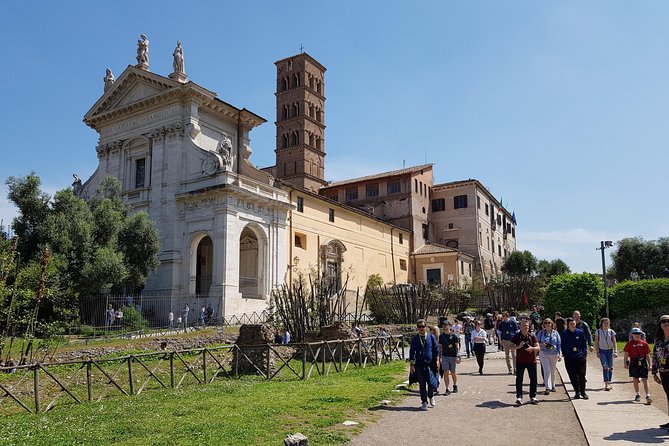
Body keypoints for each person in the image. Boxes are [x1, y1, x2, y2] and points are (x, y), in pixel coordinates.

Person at [409, 319, 440, 410]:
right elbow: (412, 352)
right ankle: (424, 402)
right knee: (422, 384)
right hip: (419, 365)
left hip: (430, 364)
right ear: (417, 328)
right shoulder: (415, 339)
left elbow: (436, 349)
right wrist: (412, 365)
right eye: (419, 327)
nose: (421, 328)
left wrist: (437, 360)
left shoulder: (431, 337)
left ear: (426, 327)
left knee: (431, 382)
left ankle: (431, 396)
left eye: (423, 326)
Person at [511, 320, 540, 405]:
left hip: (531, 361)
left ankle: (533, 396)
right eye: (524, 325)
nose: (526, 327)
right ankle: (519, 397)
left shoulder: (532, 336)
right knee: (519, 379)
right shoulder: (517, 336)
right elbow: (510, 347)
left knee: (533, 379)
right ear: (520, 327)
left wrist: (532, 348)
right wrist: (518, 346)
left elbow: (538, 347)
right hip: (520, 361)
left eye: (527, 326)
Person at [561, 317, 589, 399]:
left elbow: (584, 344)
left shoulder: (580, 332)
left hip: (580, 357)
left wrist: (584, 354)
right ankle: (577, 391)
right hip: (569, 358)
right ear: (567, 325)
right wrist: (565, 354)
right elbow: (562, 345)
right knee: (572, 376)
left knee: (582, 375)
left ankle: (583, 392)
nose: (573, 325)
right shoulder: (564, 334)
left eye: (574, 324)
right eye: (571, 324)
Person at [624, 327, 652, 404]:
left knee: (645, 379)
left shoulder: (644, 344)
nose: (637, 335)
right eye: (635, 334)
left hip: (642, 362)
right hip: (633, 362)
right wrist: (625, 363)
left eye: (639, 334)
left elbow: (647, 355)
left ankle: (648, 395)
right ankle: (637, 394)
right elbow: (626, 354)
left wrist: (650, 364)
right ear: (632, 334)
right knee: (635, 379)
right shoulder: (629, 344)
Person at [651, 314, 669, 429]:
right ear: (660, 324)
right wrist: (654, 372)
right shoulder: (658, 340)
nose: (666, 323)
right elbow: (654, 356)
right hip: (663, 372)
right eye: (663, 321)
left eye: (668, 321)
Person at [537, 318, 562, 394]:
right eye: (546, 323)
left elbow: (559, 344)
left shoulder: (556, 333)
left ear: (552, 324)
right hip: (544, 353)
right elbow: (536, 342)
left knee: (552, 370)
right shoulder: (541, 333)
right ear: (544, 324)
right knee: (546, 370)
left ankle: (553, 385)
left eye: (549, 323)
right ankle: (548, 387)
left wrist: (560, 354)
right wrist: (542, 344)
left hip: (553, 353)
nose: (547, 324)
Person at [595, 317, 618, 391]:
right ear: (601, 324)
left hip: (610, 351)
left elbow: (614, 342)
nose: (606, 324)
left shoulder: (611, 332)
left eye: (607, 323)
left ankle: (609, 382)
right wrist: (597, 351)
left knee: (610, 367)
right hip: (602, 351)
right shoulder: (598, 332)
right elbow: (596, 343)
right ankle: (606, 383)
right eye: (605, 323)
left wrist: (615, 351)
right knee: (605, 366)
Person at [439, 320, 461, 394]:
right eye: (443, 325)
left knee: (453, 372)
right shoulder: (441, 336)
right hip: (445, 356)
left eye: (446, 325)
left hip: (452, 356)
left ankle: (455, 385)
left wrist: (457, 355)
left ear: (449, 326)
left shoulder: (453, 336)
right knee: (445, 372)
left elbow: (457, 346)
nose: (445, 326)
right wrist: (440, 357)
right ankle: (447, 389)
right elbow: (440, 347)